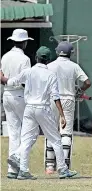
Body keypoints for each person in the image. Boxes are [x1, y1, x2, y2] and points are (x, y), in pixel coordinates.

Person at [1, 46, 78, 180]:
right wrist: (62, 115)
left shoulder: (28, 72)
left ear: (36, 58)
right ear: (48, 60)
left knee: (26, 139)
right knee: (55, 139)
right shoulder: (50, 75)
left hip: (29, 108)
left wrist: (2, 77)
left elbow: (11, 82)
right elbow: (55, 96)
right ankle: (62, 169)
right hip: (43, 108)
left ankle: (23, 169)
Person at [44, 41, 91, 174]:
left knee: (51, 130)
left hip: (52, 99)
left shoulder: (49, 66)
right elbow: (87, 82)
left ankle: (50, 166)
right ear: (71, 53)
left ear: (57, 52)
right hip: (68, 99)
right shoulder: (74, 66)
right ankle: (63, 165)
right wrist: (79, 91)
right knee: (66, 132)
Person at [0, 29, 33, 179]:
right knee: (29, 131)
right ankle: (21, 165)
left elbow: (2, 77)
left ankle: (12, 170)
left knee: (14, 134)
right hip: (19, 95)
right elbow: (26, 80)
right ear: (24, 43)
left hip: (6, 94)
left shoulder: (5, 57)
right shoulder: (25, 59)